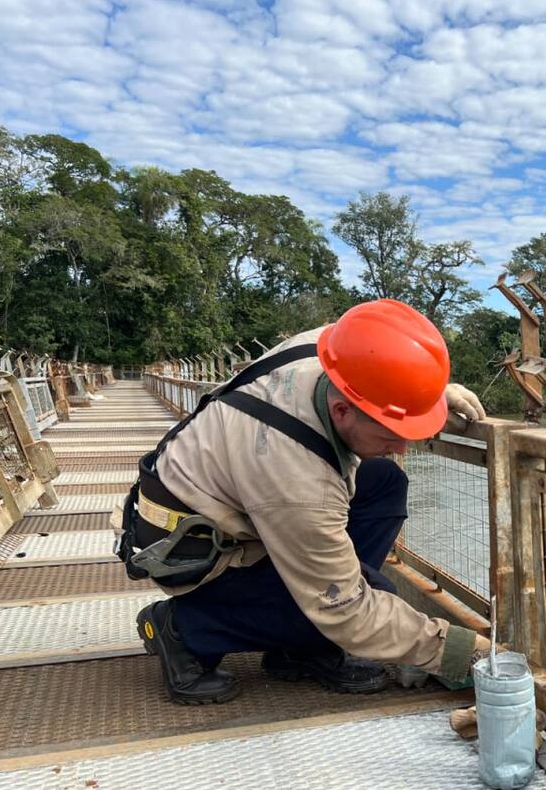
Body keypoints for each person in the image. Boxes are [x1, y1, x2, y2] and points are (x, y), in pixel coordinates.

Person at [130, 299, 491, 704]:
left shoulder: (329, 350)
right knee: (336, 607)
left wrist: (423, 394)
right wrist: (471, 654)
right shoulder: (299, 480)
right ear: (341, 411)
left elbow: (377, 361)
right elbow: (346, 612)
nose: (403, 447)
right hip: (195, 554)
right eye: (390, 435)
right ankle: (185, 627)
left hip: (226, 506)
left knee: (385, 481)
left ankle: (299, 645)